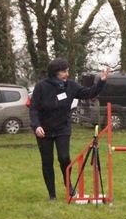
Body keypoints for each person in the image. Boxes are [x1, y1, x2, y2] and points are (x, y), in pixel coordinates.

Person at [29, 58, 109, 201]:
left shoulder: (71, 86)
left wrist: (101, 81)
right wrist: (37, 126)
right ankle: (52, 195)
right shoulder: (41, 86)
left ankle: (69, 184)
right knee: (47, 161)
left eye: (67, 71)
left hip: (62, 128)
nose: (67, 73)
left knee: (64, 157)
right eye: (64, 71)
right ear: (55, 73)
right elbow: (33, 108)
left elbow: (89, 93)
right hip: (43, 130)